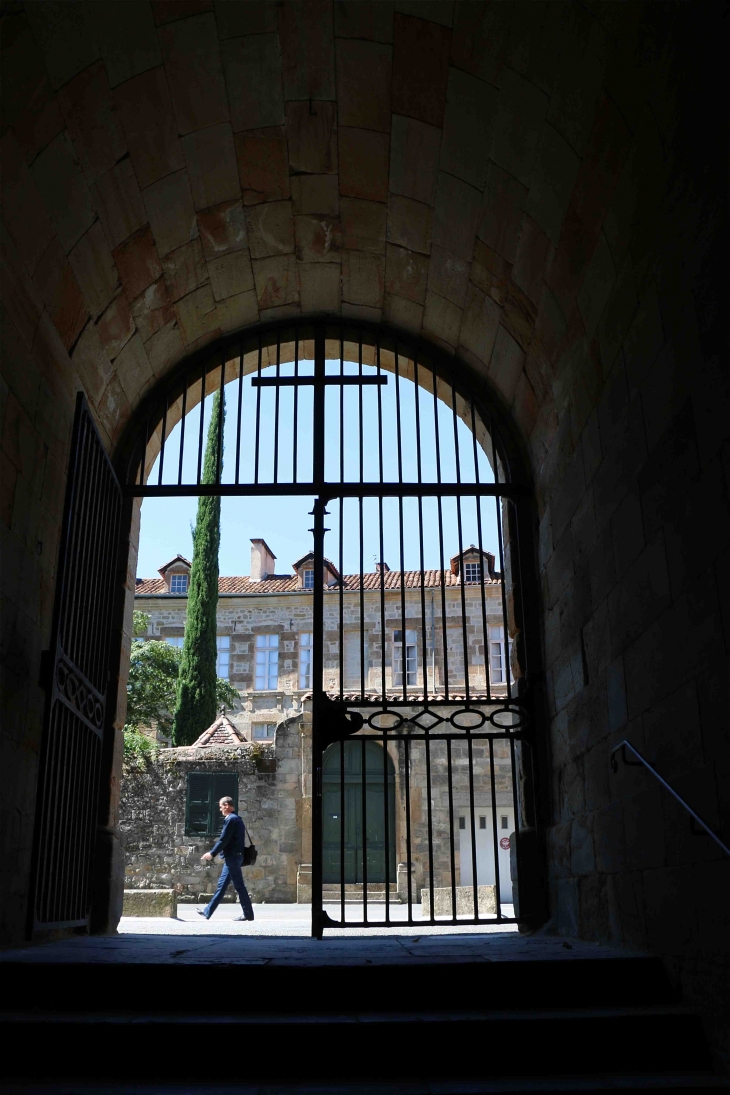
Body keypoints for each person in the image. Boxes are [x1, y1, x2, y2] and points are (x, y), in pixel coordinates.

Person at [198, 797, 255, 922]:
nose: (220, 809)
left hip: (233, 858)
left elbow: (224, 840)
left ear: (226, 805)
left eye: (220, 807)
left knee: (239, 886)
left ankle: (248, 914)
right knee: (222, 885)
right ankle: (208, 911)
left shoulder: (231, 819)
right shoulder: (236, 819)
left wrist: (212, 853)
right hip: (234, 857)